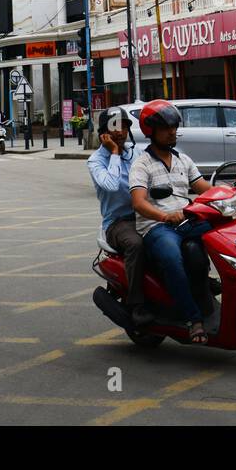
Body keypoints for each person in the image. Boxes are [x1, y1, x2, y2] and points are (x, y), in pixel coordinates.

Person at [130, 100, 215, 343]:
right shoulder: (141, 164)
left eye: (174, 127)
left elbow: (203, 189)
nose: (172, 132)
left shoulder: (183, 160)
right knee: (171, 257)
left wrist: (227, 194)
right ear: (151, 131)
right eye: (166, 128)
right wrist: (165, 216)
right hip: (158, 227)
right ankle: (193, 319)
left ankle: (207, 287)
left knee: (225, 235)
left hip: (186, 222)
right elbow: (138, 202)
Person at [88, 107, 149, 324]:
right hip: (118, 222)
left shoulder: (138, 153)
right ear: (104, 133)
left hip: (146, 214)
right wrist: (113, 153)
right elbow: (112, 185)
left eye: (123, 126)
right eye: (115, 127)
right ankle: (136, 303)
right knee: (135, 244)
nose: (120, 132)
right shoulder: (96, 161)